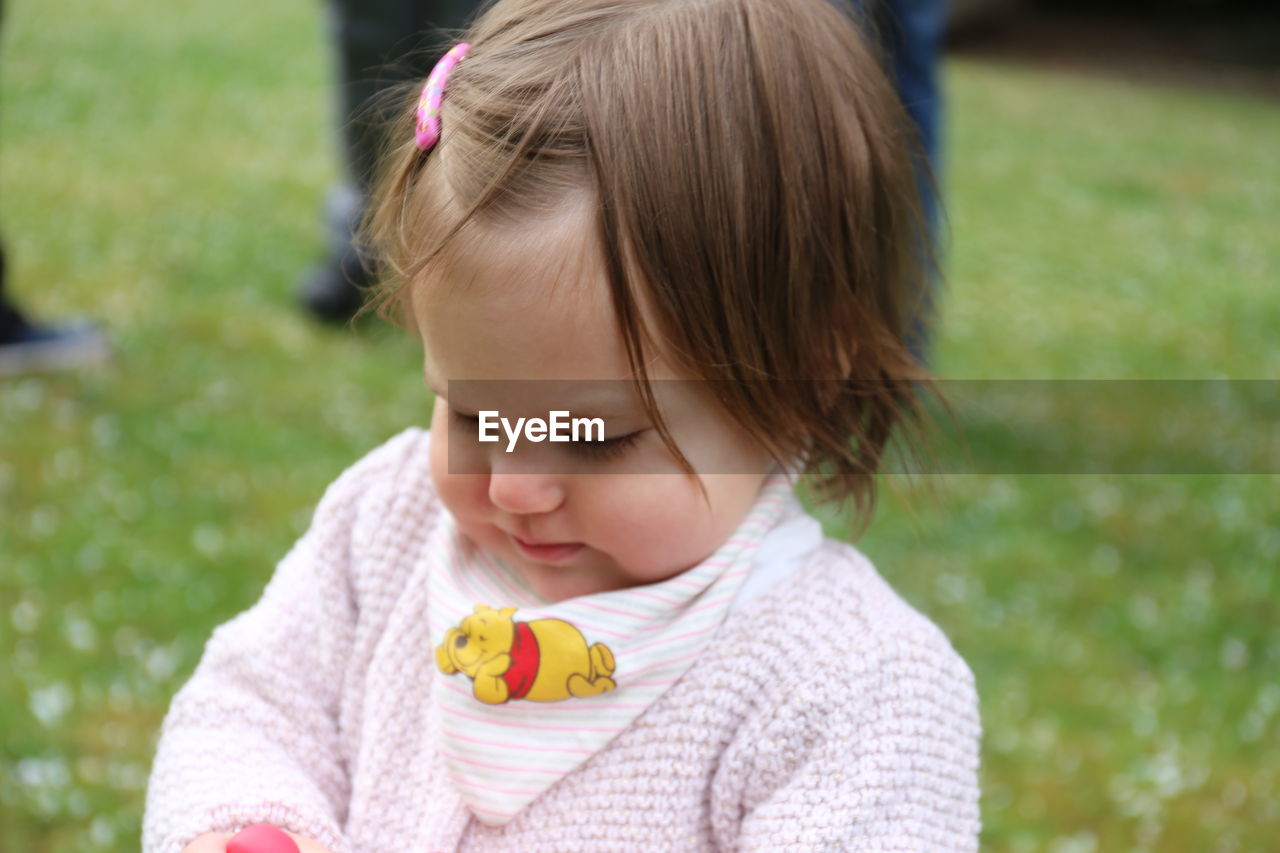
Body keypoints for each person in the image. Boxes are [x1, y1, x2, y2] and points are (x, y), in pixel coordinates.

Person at [144, 1, 980, 850]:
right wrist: (245, 825)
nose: (513, 484)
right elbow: (252, 707)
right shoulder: (386, 526)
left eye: (593, 435)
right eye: (471, 412)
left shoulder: (856, 694)